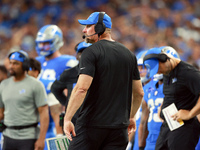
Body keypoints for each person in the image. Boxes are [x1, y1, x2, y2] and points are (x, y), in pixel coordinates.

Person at [63, 11, 144, 150]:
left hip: (91, 127)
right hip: (119, 130)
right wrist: (131, 117)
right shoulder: (129, 54)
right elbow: (139, 93)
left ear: (99, 28)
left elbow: (81, 88)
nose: (84, 30)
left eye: (88, 26)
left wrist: (67, 118)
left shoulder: (90, 52)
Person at [143, 46, 200, 150]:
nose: (158, 72)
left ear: (165, 59)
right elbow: (173, 93)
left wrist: (190, 113)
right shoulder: (167, 71)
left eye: (158, 68)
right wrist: (163, 107)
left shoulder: (188, 73)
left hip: (184, 128)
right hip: (168, 126)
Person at [0, 50, 49, 150]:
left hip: (28, 137)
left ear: (25, 65)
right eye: (10, 63)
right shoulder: (3, 85)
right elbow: (1, 113)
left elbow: (44, 113)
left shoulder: (35, 85)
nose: (11, 66)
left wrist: (41, 139)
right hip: (8, 136)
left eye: (16, 63)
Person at [35, 24, 78, 137]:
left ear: (56, 41)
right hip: (35, 117)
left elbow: (70, 93)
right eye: (40, 43)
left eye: (46, 43)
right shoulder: (36, 62)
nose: (42, 47)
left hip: (56, 119)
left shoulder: (68, 62)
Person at [51, 41, 92, 126]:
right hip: (74, 122)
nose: (84, 55)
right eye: (81, 52)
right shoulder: (69, 73)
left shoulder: (101, 72)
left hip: (95, 120)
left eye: (88, 52)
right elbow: (55, 88)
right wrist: (67, 103)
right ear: (76, 56)